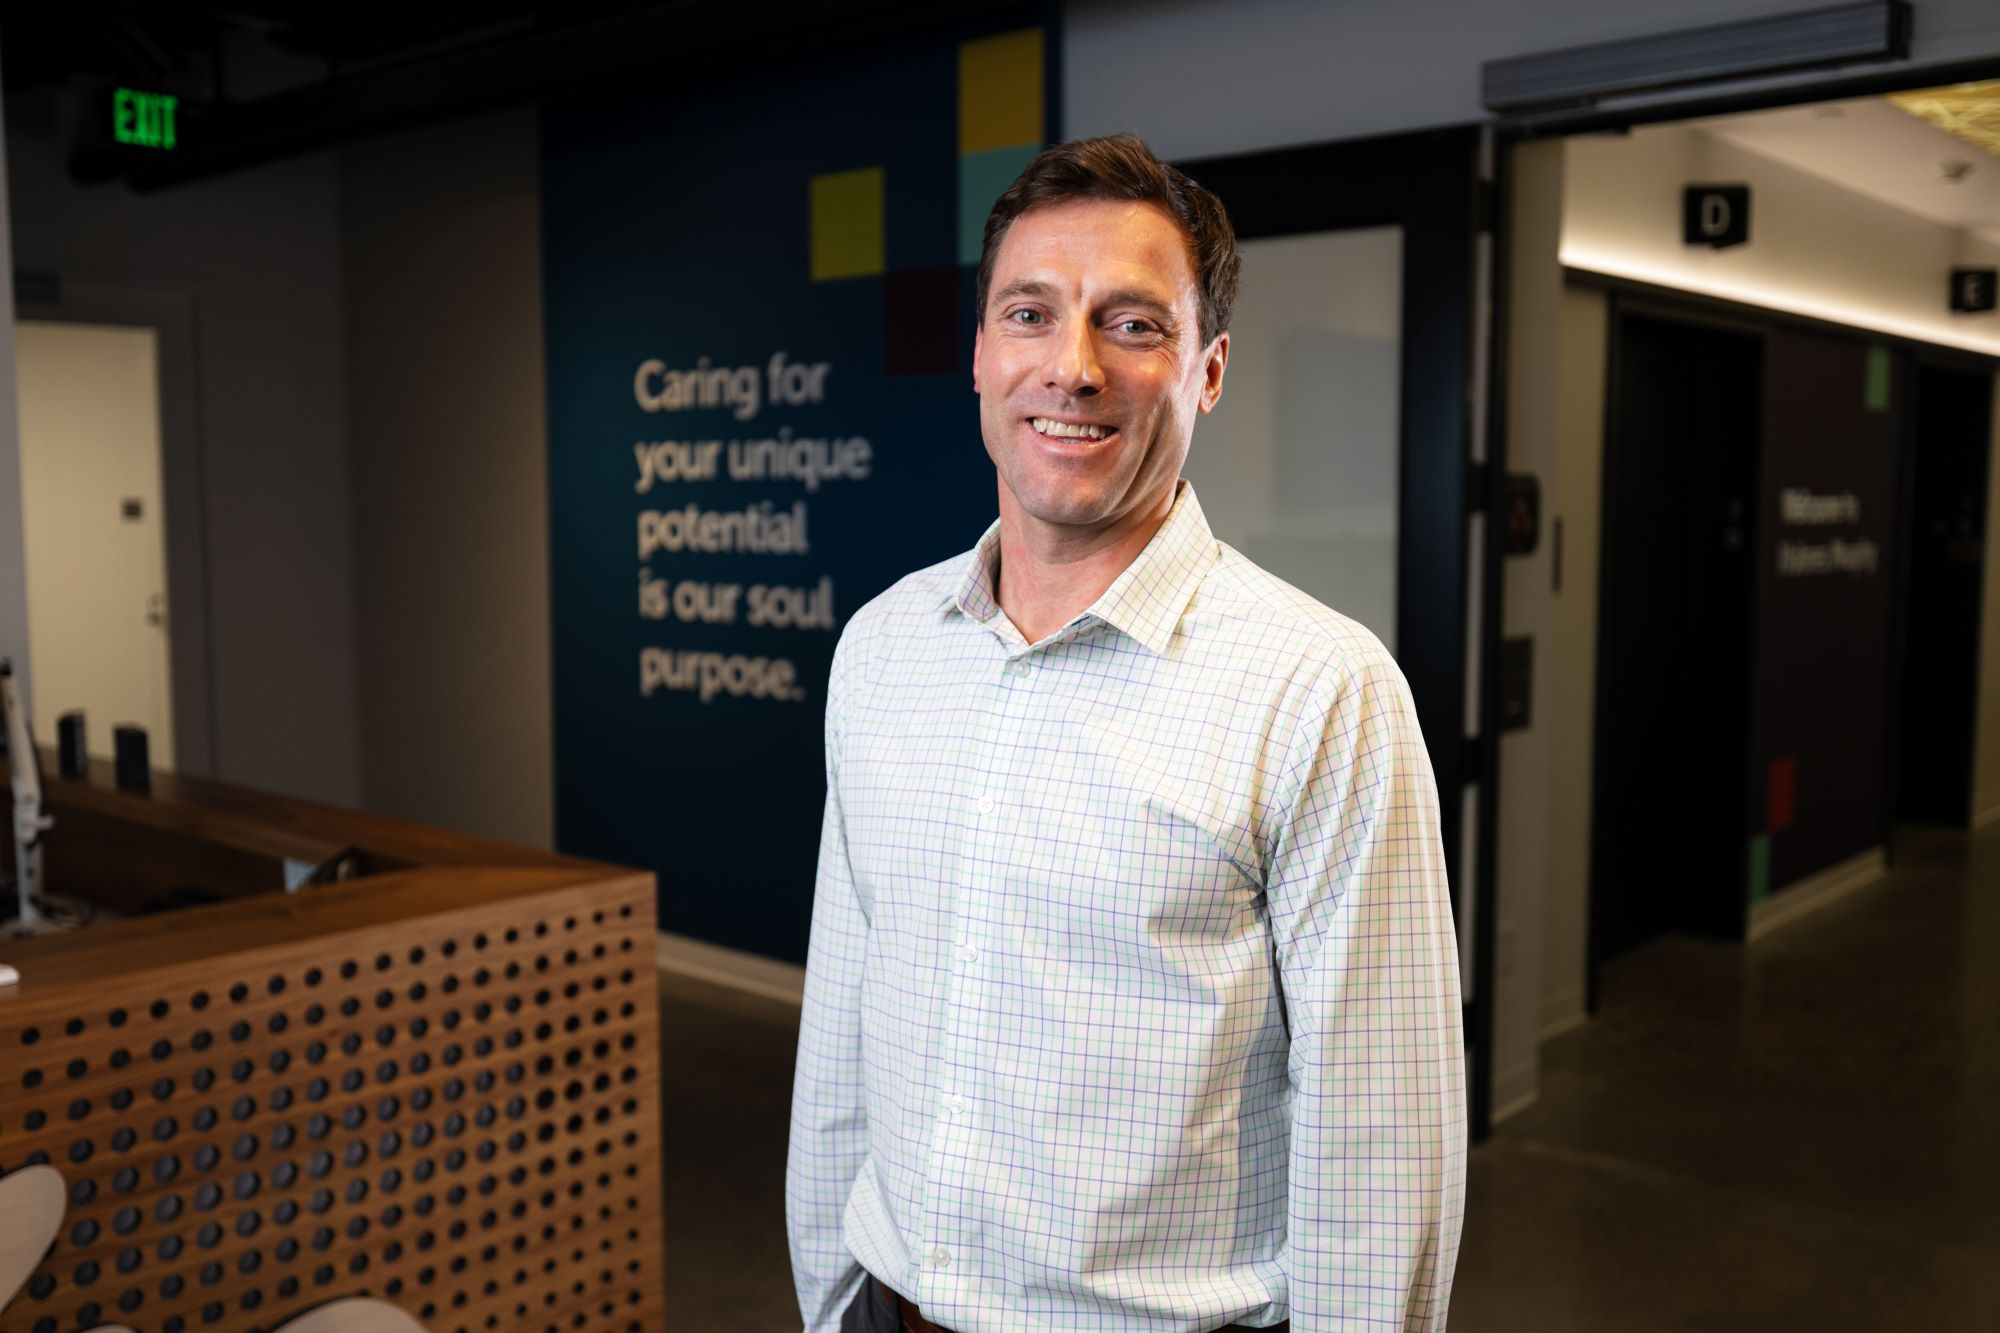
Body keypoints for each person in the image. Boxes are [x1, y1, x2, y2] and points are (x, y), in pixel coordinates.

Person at [786, 133, 1465, 1333]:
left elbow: (1379, 1141)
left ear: (1206, 370)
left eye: (1134, 324)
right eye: (1031, 314)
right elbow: (842, 1022)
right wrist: (831, 1297)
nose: (1073, 366)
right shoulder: (884, 650)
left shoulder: (1320, 689)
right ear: (982, 354)